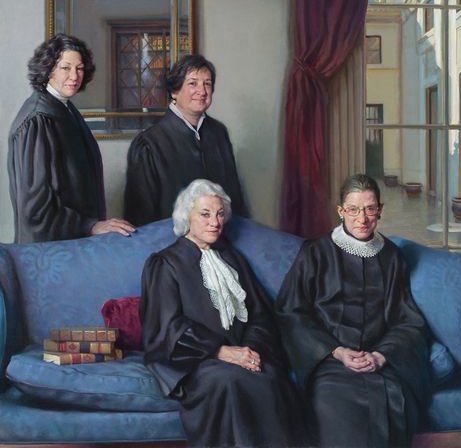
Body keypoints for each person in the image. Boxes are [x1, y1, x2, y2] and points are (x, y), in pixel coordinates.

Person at [140, 179, 306, 448]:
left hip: (241, 354)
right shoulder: (164, 264)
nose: (214, 222)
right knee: (230, 380)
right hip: (195, 362)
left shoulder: (232, 258)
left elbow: (261, 315)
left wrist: (250, 350)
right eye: (205, 214)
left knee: (270, 377)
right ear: (187, 217)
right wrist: (220, 351)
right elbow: (166, 328)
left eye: (219, 214)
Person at [275, 173, 431, 448]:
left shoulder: (392, 257)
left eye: (370, 209)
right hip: (330, 363)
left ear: (380, 210)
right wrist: (336, 351)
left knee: (393, 403)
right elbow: (291, 313)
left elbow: (408, 322)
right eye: (353, 210)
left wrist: (381, 356)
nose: (362, 219)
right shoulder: (316, 252)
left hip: (379, 364)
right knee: (333, 405)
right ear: (341, 211)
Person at [8, 34, 135, 243]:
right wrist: (90, 225)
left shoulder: (64, 108)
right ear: (48, 69)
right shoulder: (37, 120)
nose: (74, 76)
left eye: (80, 68)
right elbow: (35, 207)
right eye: (65, 68)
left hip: (72, 242)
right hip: (48, 248)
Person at [124, 54, 247, 227]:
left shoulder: (219, 133)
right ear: (174, 91)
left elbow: (235, 201)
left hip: (222, 235)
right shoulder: (149, 144)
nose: (202, 91)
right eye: (193, 83)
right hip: (171, 240)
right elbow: (141, 219)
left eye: (207, 84)